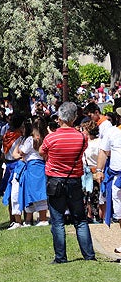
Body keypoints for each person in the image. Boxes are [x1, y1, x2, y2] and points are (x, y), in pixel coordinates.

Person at [42, 102, 96, 263]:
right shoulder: (81, 137)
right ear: (74, 118)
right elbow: (83, 150)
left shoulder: (51, 137)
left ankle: (60, 257)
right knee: (80, 220)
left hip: (55, 181)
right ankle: (89, 255)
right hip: (74, 181)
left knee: (57, 221)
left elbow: (41, 152)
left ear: (59, 118)